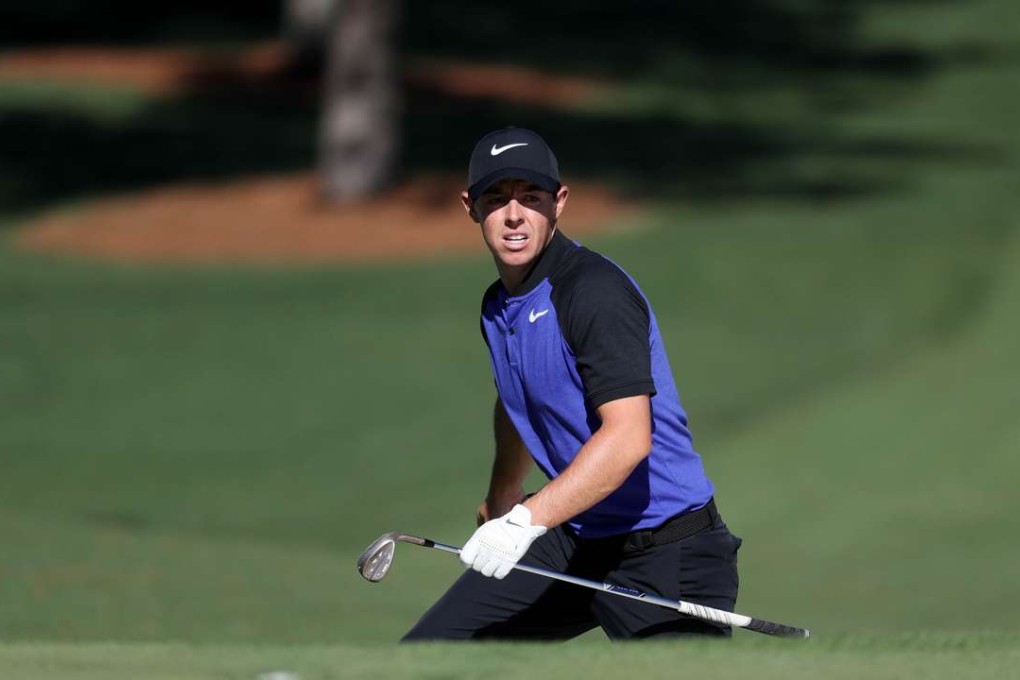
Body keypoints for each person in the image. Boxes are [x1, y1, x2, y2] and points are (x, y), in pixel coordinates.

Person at [402, 127, 741, 641]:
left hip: (668, 553)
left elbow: (628, 437)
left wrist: (523, 522)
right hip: (576, 539)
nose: (514, 215)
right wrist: (503, 497)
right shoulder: (498, 305)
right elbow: (518, 397)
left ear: (558, 203)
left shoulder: (593, 292)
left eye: (530, 198)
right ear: (470, 207)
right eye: (496, 199)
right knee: (428, 659)